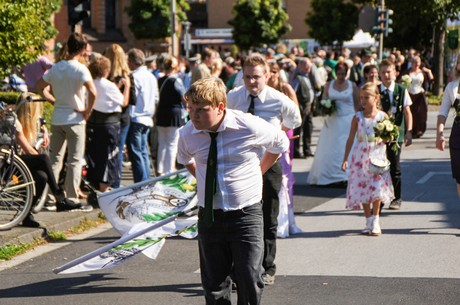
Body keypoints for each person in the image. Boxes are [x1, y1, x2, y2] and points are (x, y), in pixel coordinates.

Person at [178, 77, 289, 304]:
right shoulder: (187, 133)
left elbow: (280, 143)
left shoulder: (247, 125)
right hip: (210, 214)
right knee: (214, 282)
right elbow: (184, 159)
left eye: (201, 110)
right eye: (191, 109)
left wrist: (260, 170)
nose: (194, 115)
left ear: (220, 107)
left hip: (245, 214)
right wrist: (205, 179)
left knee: (249, 276)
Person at [227, 54, 301, 285]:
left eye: (256, 77)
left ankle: (268, 267)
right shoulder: (233, 97)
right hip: (241, 166)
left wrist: (280, 132)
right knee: (239, 218)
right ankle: (239, 268)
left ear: (267, 76)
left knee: (268, 215)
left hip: (269, 164)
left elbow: (295, 118)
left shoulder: (278, 99)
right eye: (247, 76)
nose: (252, 82)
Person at [34, 32, 96, 201]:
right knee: (75, 160)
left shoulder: (56, 67)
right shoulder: (81, 69)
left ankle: (50, 198)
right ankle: (72, 197)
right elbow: (93, 91)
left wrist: (53, 101)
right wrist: (87, 111)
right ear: (83, 49)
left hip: (58, 118)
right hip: (75, 119)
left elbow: (40, 87)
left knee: (55, 160)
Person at [14, 93, 83, 227]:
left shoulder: (32, 122)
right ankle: (60, 198)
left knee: (42, 176)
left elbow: (41, 121)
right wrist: (41, 160)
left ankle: (26, 215)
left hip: (21, 162)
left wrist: (44, 130)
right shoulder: (16, 123)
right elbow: (29, 150)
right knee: (44, 158)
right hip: (12, 164)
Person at [342, 83, 394, 236]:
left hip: (377, 154)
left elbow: (389, 136)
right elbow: (350, 138)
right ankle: (368, 220)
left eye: (367, 97)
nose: (363, 101)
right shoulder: (357, 118)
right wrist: (345, 158)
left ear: (376, 98)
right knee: (364, 188)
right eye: (361, 98)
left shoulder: (382, 116)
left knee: (377, 188)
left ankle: (376, 220)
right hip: (360, 156)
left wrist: (387, 138)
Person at [307, 62, 360, 186]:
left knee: (347, 146)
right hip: (333, 120)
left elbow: (357, 105)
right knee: (331, 147)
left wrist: (359, 120)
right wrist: (326, 107)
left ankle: (347, 175)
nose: (341, 76)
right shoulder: (328, 85)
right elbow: (324, 99)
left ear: (347, 73)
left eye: (343, 73)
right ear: (336, 73)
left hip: (348, 119)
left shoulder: (352, 85)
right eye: (339, 73)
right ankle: (330, 175)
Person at [86, 55, 130, 192]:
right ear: (106, 70)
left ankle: (96, 186)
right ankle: (105, 188)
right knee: (109, 157)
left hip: (93, 123)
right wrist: (127, 87)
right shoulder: (108, 85)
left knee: (96, 155)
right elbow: (124, 102)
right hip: (110, 124)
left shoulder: (91, 83)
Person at [378, 59, 413, 210]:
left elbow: (407, 112)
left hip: (395, 134)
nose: (386, 75)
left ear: (394, 73)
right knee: (379, 167)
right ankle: (379, 197)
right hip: (378, 135)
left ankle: (396, 198)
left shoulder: (401, 89)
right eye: (383, 72)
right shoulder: (376, 90)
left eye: (389, 72)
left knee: (395, 167)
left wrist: (409, 131)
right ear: (379, 74)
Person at [126, 48, 159, 183]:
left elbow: (131, 98)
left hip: (136, 117)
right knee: (144, 152)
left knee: (136, 153)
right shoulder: (151, 76)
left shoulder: (134, 76)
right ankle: (146, 182)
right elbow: (156, 99)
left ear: (132, 62)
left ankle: (141, 183)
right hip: (148, 118)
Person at [103, 44, 131, 188]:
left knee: (107, 151)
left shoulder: (105, 76)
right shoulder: (126, 76)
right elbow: (132, 101)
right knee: (118, 151)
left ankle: (108, 182)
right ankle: (115, 183)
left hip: (107, 118)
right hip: (123, 118)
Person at [155, 55, 186, 175]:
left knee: (162, 143)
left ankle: (160, 169)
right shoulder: (176, 81)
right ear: (175, 67)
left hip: (161, 113)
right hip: (174, 114)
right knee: (172, 144)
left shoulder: (159, 80)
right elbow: (183, 98)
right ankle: (169, 170)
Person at [436, 53, 460, 197]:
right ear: (458, 65)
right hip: (458, 135)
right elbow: (442, 113)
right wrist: (440, 134)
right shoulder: (452, 87)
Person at [290, 57, 319, 159]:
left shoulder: (308, 77)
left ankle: (307, 150)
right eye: (307, 65)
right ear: (301, 66)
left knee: (308, 129)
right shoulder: (298, 78)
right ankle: (296, 151)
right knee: (298, 130)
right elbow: (292, 92)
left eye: (309, 66)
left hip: (309, 108)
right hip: (301, 108)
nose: (309, 68)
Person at [406, 56, 433, 138]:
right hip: (410, 94)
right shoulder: (408, 72)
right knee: (411, 112)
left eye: (418, 62)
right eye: (415, 62)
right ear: (412, 63)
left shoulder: (422, 72)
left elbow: (431, 80)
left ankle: (419, 130)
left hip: (420, 94)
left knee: (420, 113)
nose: (416, 64)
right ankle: (411, 130)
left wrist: (429, 71)